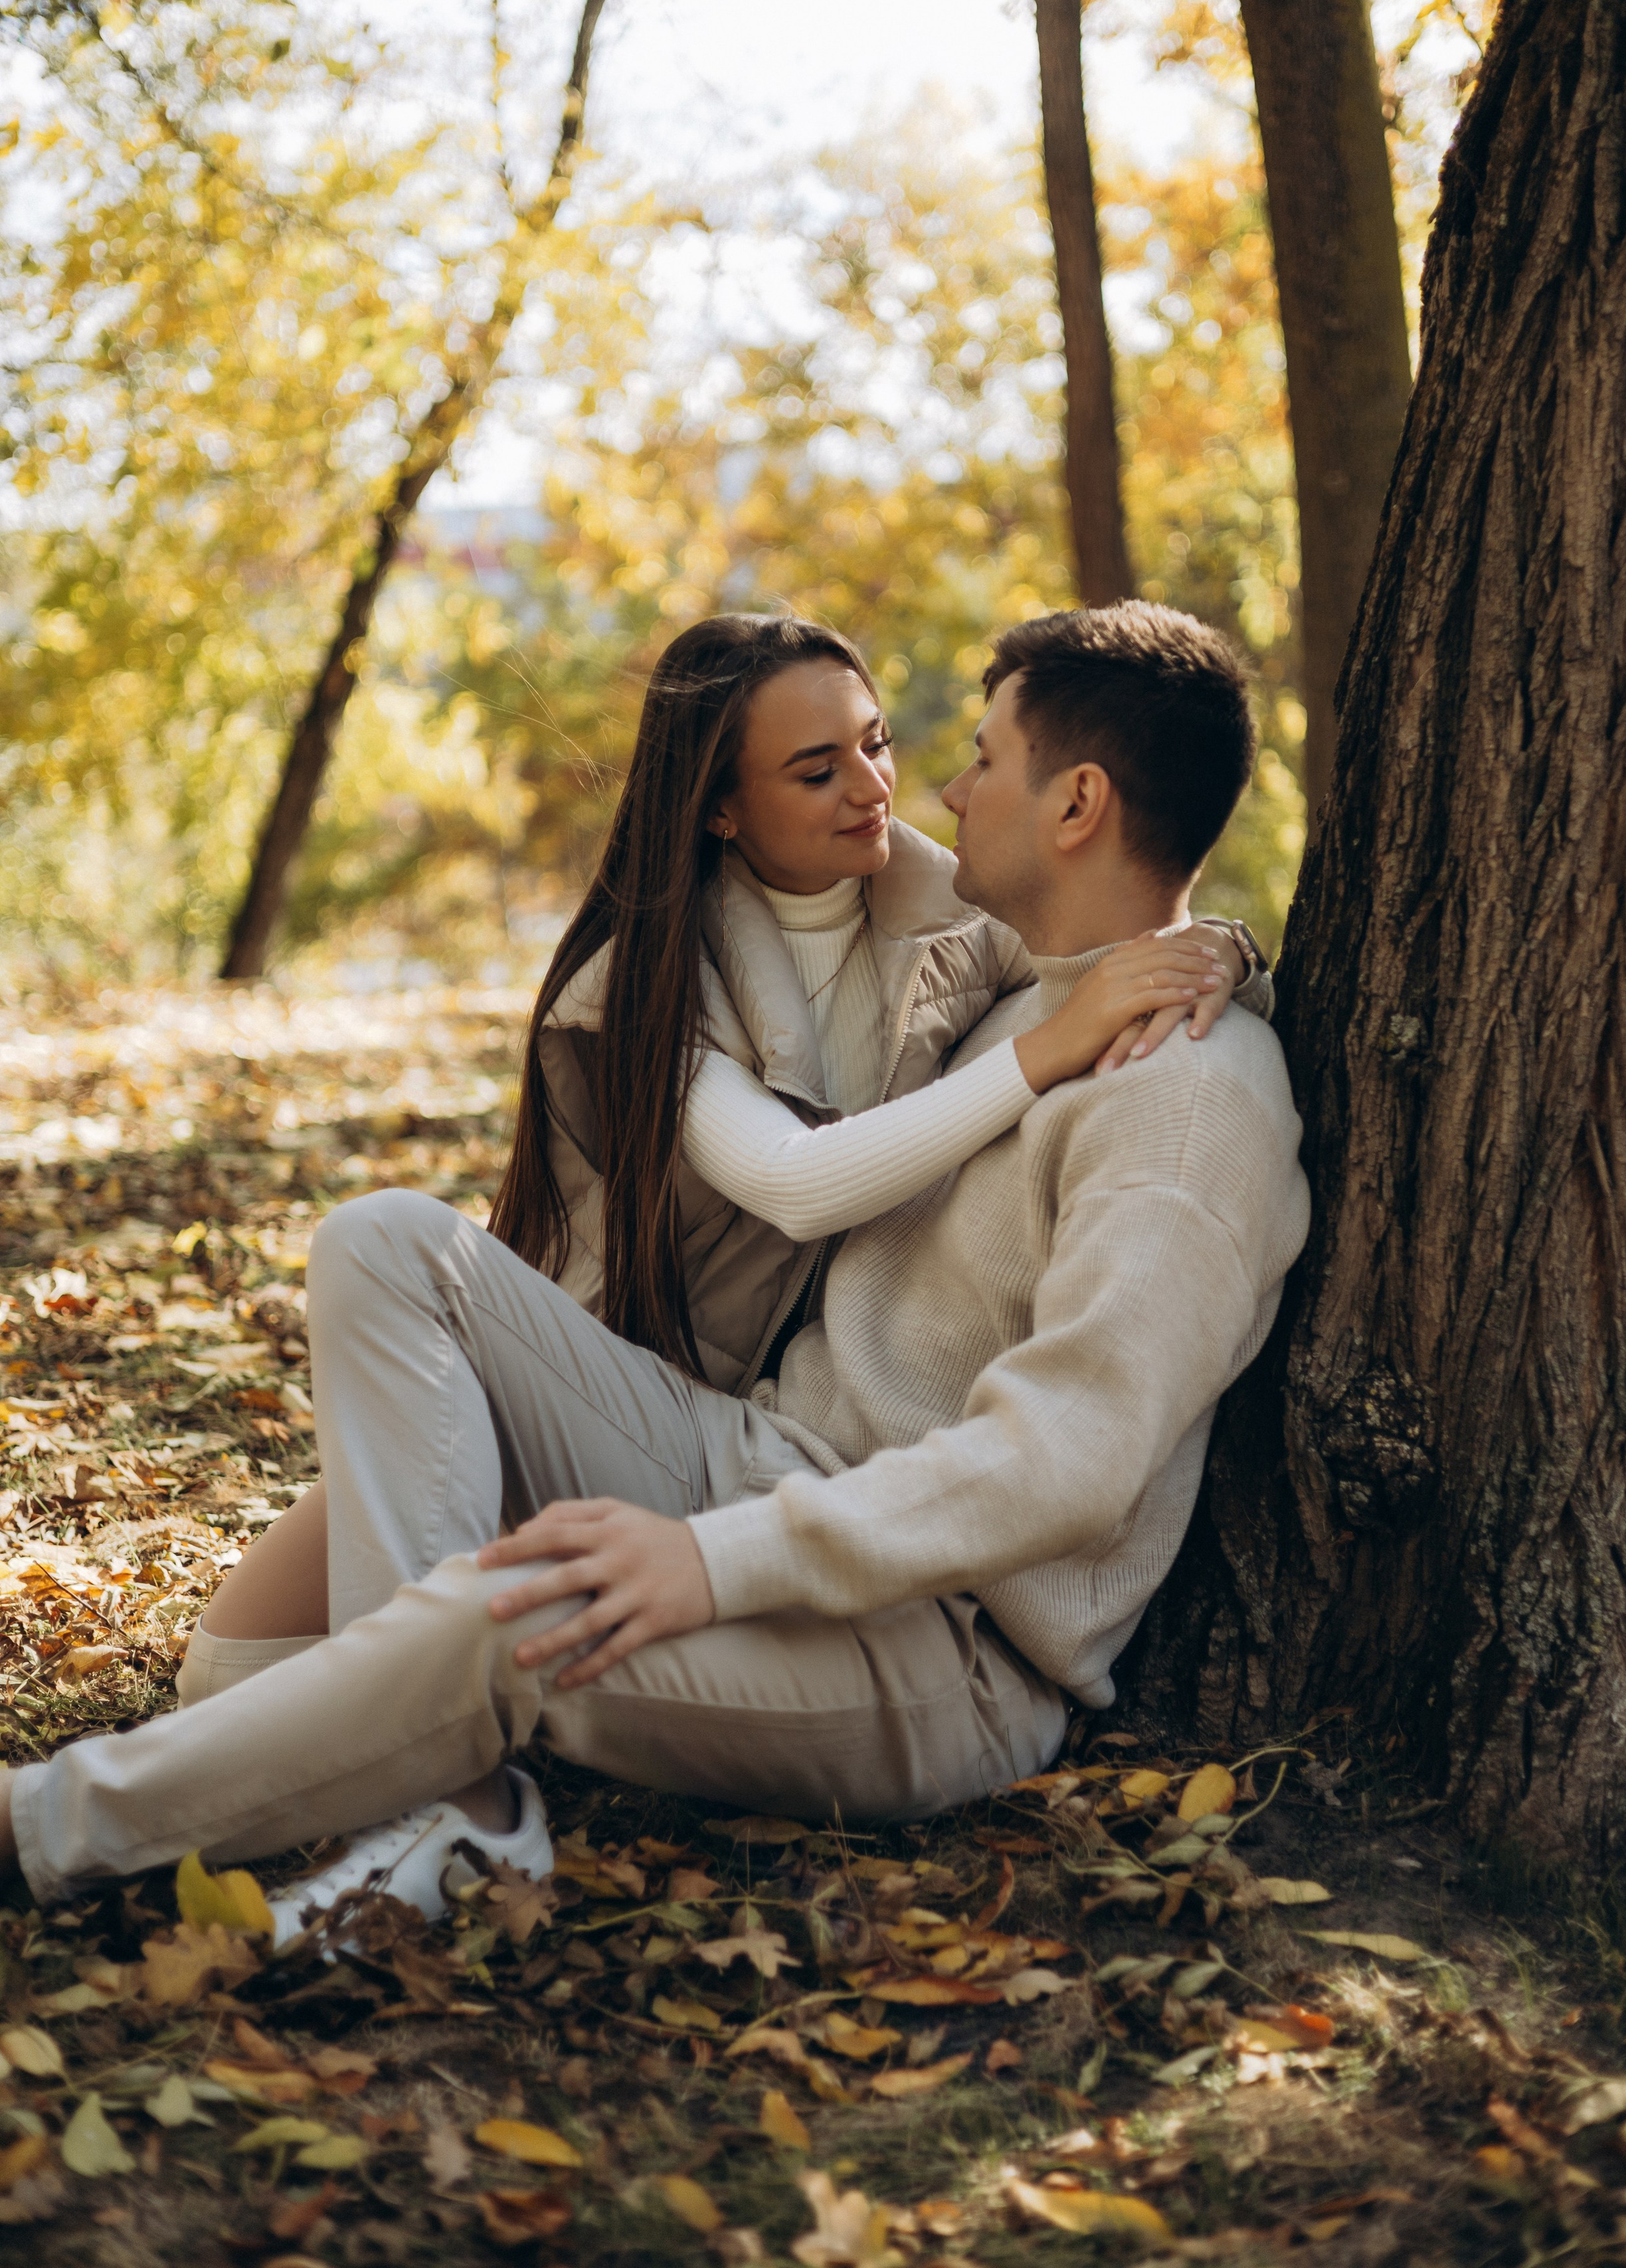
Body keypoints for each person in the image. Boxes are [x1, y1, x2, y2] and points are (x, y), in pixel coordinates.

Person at [0, 601, 1309, 1929]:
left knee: (501, 1621)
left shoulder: (1183, 1099)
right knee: (385, 1244)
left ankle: (48, 1827)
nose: (935, 789)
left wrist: (716, 1565)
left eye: (975, 757)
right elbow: (814, 1174)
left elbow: (1064, 1463)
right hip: (749, 1460)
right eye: (838, 763)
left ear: (1077, 802)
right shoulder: (1026, 995)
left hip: (940, 1644)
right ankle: (435, 1793)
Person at [171, 613, 1269, 1704]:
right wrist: (1041, 1054)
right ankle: (393, 1726)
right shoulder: (652, 979)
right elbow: (800, 1183)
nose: (877, 790)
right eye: (816, 771)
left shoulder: (964, 912)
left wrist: (1221, 949)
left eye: (876, 744)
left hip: (757, 1445)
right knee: (226, 1677)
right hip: (594, 1392)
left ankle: (401, 1743)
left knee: (414, 1670)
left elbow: (1113, 915)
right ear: (724, 811)